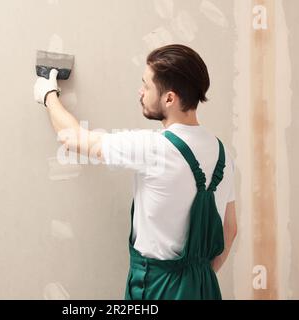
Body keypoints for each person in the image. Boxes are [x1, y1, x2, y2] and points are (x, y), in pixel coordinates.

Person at [34, 44, 237, 300]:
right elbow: (230, 229)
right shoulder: (223, 153)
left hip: (156, 287)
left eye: (147, 85)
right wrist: (196, 280)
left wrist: (48, 94)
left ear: (169, 98)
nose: (140, 92)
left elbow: (73, 138)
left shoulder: (153, 148)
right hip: (204, 286)